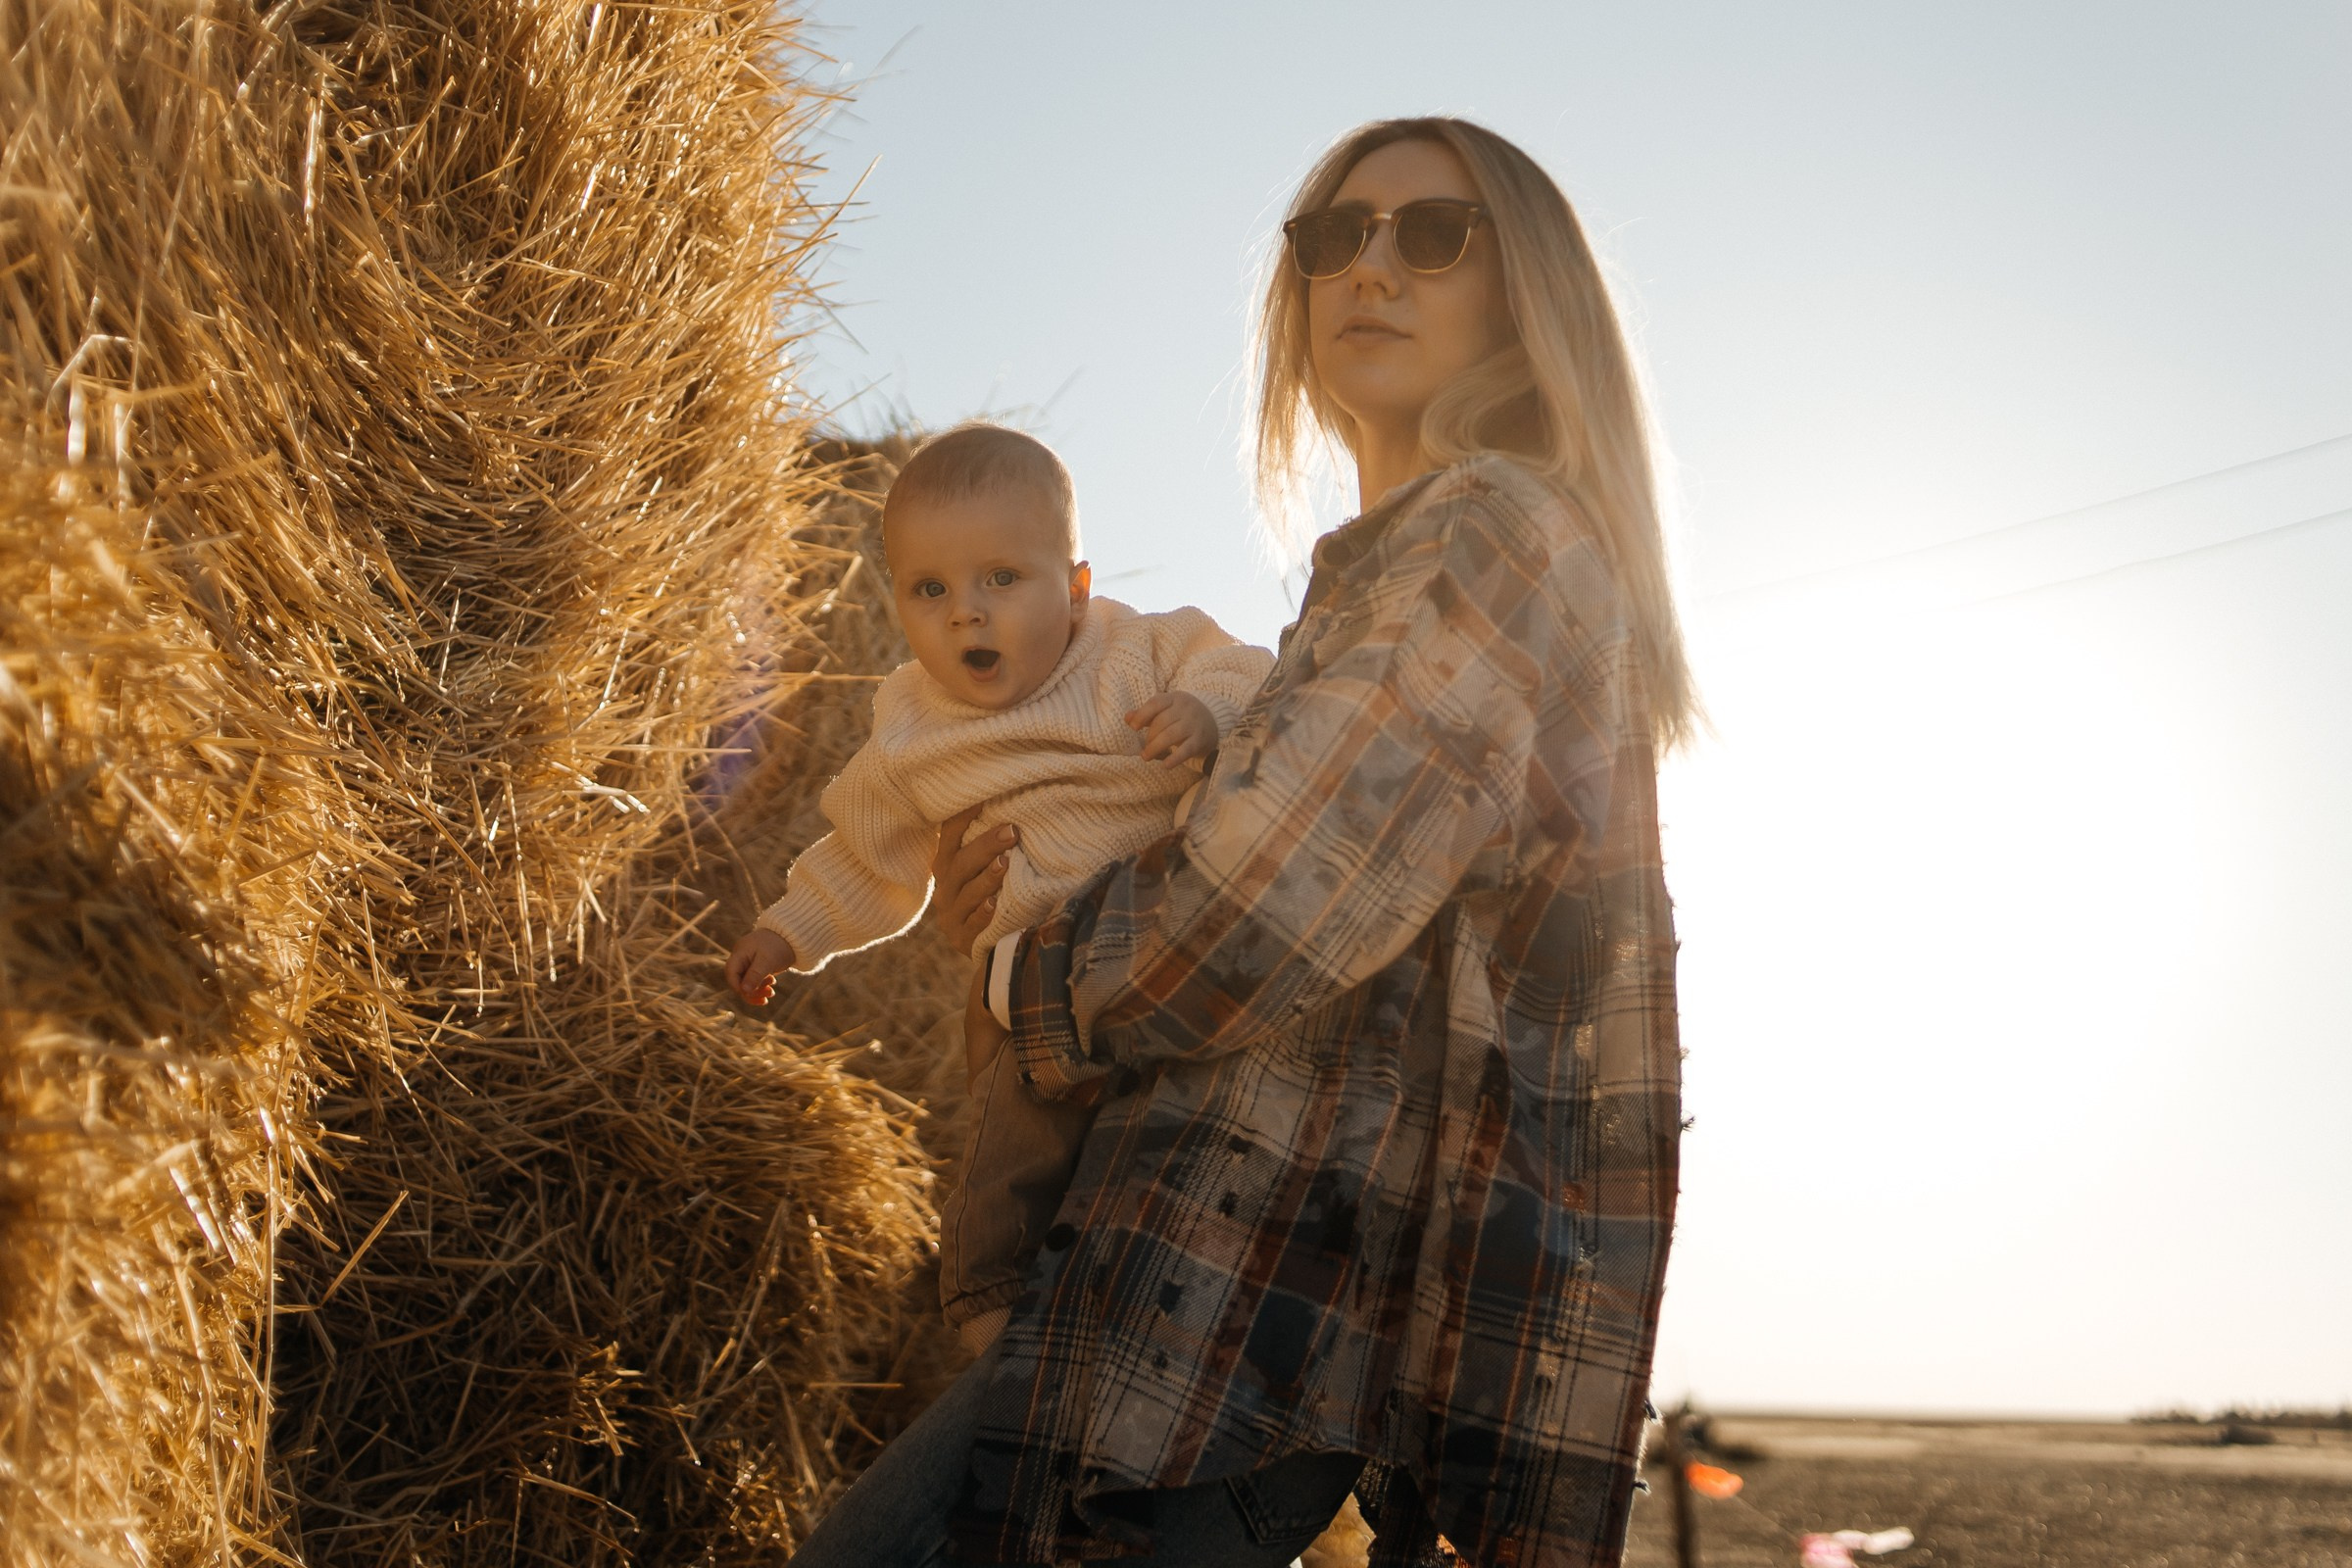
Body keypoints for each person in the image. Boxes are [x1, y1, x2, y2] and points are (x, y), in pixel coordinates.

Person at [791, 116, 1694, 1568]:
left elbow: (1243, 926)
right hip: (1184, 1305)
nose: (1371, 267)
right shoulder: (1374, 580)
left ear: (1525, 290)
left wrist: (1015, 971)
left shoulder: (1492, 534)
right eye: (1335, 237)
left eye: (1432, 233)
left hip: (1227, 1343)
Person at [724, 422, 1274, 1353]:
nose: (964, 615)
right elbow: (863, 856)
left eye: (1001, 580)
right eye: (929, 590)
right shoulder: (907, 729)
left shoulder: (1131, 651)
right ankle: (988, 1315)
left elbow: (1244, 666)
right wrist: (785, 934)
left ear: (1078, 587)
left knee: (1176, 1157)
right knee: (1001, 1167)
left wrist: (1204, 712)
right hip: (1030, 1003)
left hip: (1161, 944)